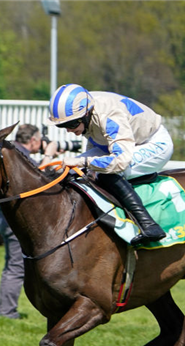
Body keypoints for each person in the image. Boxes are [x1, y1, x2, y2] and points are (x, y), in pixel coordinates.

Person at [48, 83, 172, 245]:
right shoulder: (86, 109)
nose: (69, 130)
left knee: (107, 173)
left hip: (154, 143)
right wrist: (78, 164)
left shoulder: (109, 115)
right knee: (75, 171)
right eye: (62, 126)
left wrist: (81, 161)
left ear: (86, 114)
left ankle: (149, 225)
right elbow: (96, 147)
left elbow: (120, 161)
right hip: (130, 144)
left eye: (71, 124)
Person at [0, 124, 59, 319]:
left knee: (11, 264)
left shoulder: (11, 153)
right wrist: (48, 156)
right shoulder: (18, 156)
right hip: (14, 220)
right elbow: (38, 180)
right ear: (32, 140)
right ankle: (7, 312)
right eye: (39, 141)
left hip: (3, 219)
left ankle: (6, 309)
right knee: (16, 266)